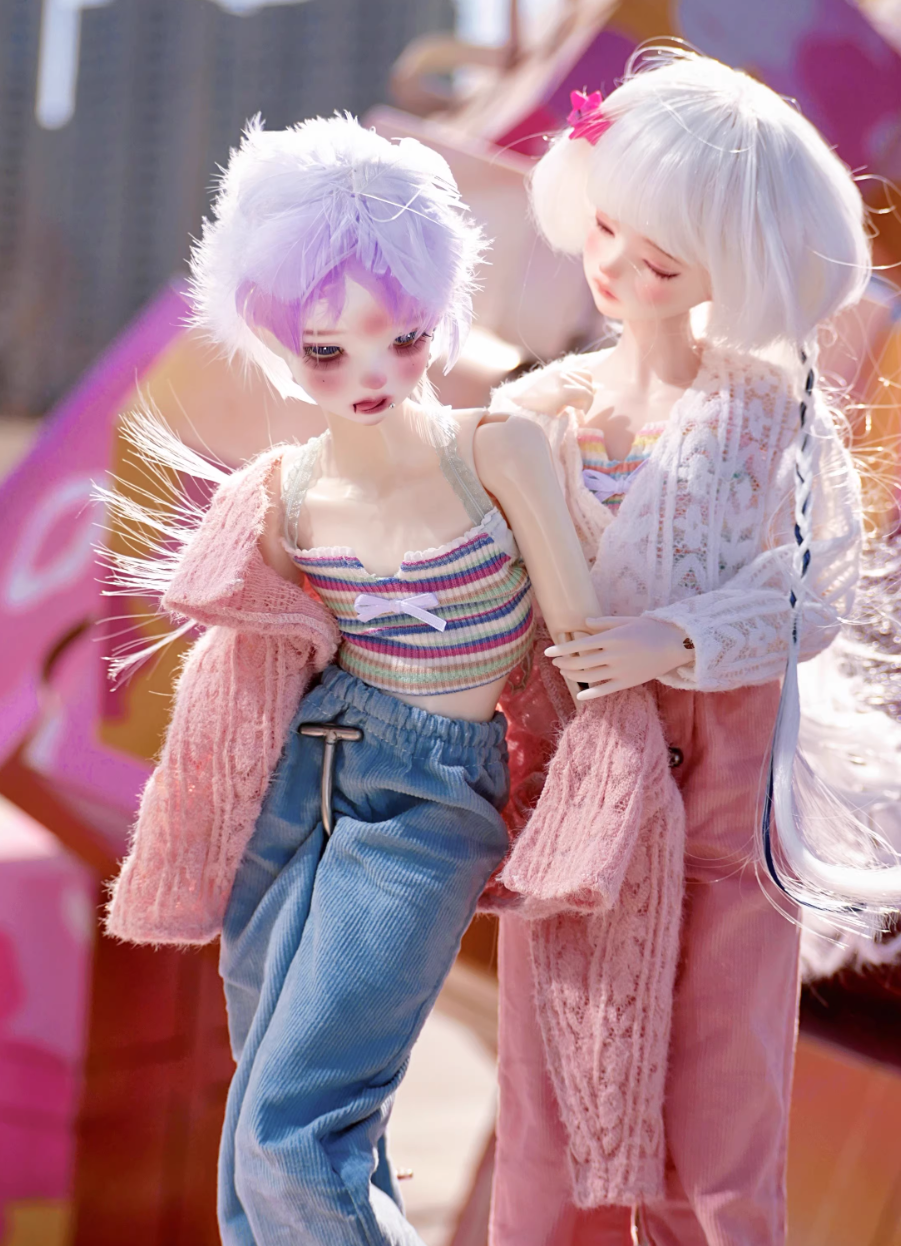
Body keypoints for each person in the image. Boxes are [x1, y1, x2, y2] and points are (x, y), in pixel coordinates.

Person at [485, 49, 901, 1245]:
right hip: (570, 790)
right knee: (544, 1111)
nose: (617, 270)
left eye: (660, 260)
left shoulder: (773, 415)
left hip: (722, 789)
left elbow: (813, 594)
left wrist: (672, 636)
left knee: (718, 1124)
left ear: (736, 270)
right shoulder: (533, 413)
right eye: (606, 232)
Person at [101, 114, 598, 1246]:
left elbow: (582, 643)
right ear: (277, 342)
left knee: (293, 1129)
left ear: (440, 309)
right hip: (298, 781)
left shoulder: (495, 450)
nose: (369, 374)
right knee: (270, 1122)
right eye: (326, 352)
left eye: (401, 337)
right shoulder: (284, 493)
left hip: (430, 793)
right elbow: (248, 667)